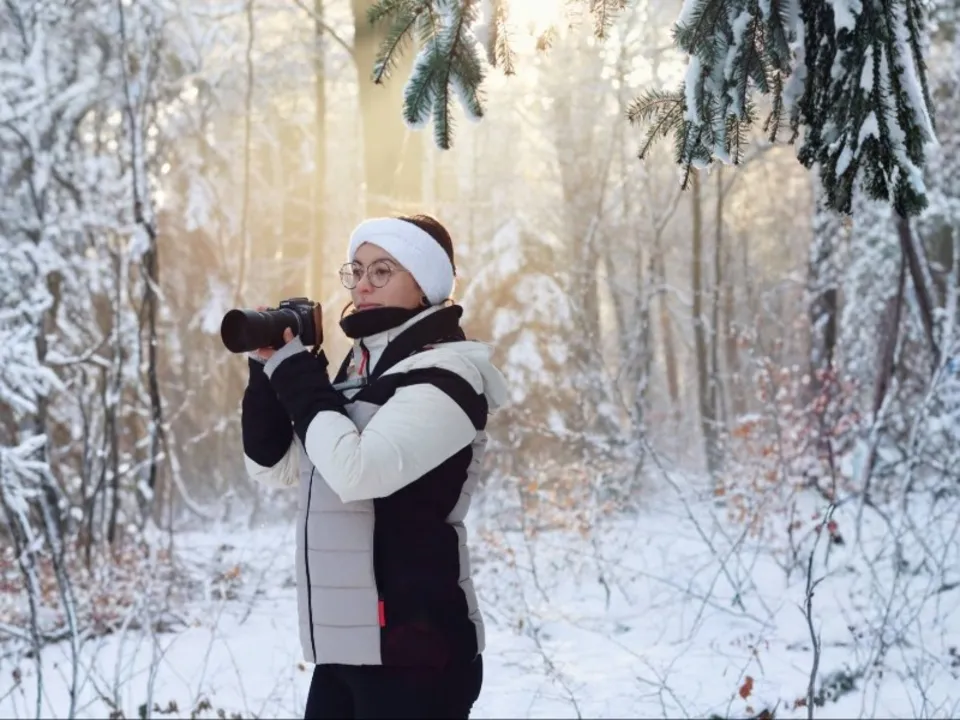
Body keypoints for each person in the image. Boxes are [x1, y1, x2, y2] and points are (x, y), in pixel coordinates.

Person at [239, 214, 508, 719]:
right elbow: (275, 468)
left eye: (382, 270)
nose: (362, 284)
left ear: (424, 284)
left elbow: (356, 473)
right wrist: (266, 369)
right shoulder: (360, 373)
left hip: (420, 653)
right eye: (356, 270)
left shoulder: (448, 377)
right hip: (348, 645)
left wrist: (297, 372)